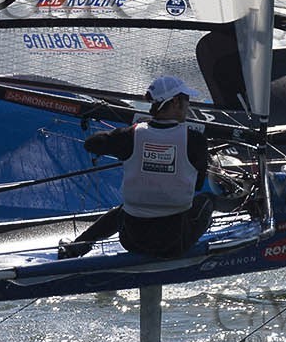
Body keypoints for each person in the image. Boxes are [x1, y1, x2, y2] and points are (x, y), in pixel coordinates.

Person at [58, 75, 214, 260]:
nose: (188, 105)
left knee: (124, 210)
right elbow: (197, 185)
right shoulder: (195, 140)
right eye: (187, 99)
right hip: (173, 243)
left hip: (132, 240)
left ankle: (75, 249)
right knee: (207, 201)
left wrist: (132, 140)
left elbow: (91, 144)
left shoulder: (131, 135)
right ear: (176, 102)